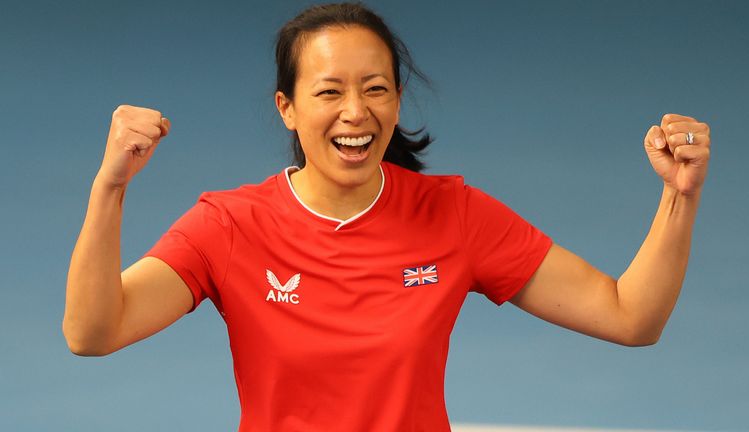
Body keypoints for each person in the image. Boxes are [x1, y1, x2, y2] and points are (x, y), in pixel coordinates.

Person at [62, 2, 711, 431]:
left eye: (375, 89)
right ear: (287, 107)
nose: (355, 111)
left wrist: (680, 195)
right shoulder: (228, 225)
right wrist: (110, 187)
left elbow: (632, 317)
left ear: (398, 101)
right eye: (328, 91)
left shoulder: (454, 215)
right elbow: (93, 331)